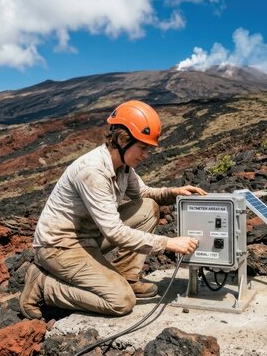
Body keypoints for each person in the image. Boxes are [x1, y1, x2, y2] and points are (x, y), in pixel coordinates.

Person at [20, 100, 206, 319]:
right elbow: (115, 233)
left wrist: (174, 192)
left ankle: (127, 277)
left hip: (90, 236)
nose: (146, 155)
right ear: (121, 140)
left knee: (148, 208)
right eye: (143, 147)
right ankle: (43, 285)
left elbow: (143, 194)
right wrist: (168, 243)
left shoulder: (123, 166)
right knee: (121, 301)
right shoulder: (93, 172)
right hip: (60, 246)